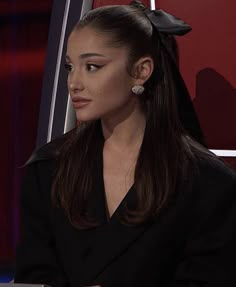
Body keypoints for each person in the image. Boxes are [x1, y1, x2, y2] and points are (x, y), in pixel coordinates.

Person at [14, 1, 236, 287]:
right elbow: (34, 276)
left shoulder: (209, 184)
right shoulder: (48, 169)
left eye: (92, 66)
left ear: (141, 70)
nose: (74, 83)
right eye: (71, 67)